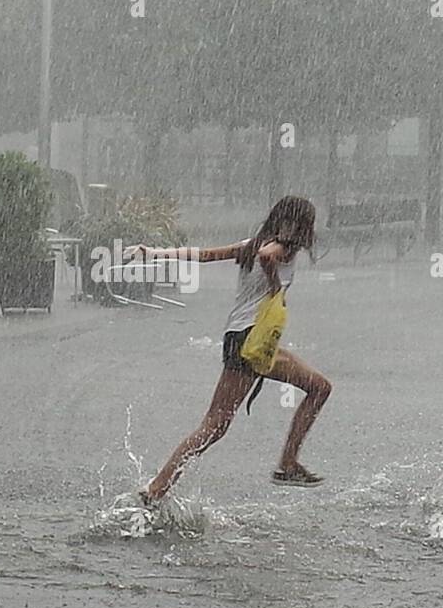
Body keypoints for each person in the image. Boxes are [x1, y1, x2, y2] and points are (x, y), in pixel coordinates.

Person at [134, 195, 332, 503]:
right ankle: (286, 463)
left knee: (218, 423)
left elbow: (204, 255)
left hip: (239, 337)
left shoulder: (250, 244)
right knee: (217, 424)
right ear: (302, 226)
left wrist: (156, 253)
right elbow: (268, 256)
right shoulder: (279, 249)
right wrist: (275, 286)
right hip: (251, 341)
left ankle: (158, 487)